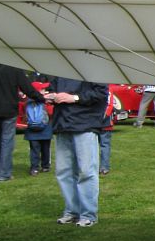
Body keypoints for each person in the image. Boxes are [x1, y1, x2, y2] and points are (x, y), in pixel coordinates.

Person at [44, 77, 109, 227]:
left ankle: (88, 214)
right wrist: (51, 96)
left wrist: (73, 98)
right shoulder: (60, 70)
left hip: (85, 124)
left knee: (86, 171)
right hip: (62, 124)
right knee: (64, 171)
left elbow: (100, 93)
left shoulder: (93, 69)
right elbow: (52, 87)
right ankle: (72, 211)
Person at [0, 60, 46, 181]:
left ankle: (0, 169)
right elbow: (27, 88)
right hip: (9, 108)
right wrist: (41, 98)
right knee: (7, 141)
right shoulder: (14, 66)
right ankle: (4, 173)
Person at [99, 88, 116, 175]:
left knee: (104, 145)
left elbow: (109, 106)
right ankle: (103, 167)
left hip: (103, 122)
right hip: (102, 121)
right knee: (104, 145)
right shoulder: (108, 87)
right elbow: (110, 105)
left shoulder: (108, 88)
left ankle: (104, 167)